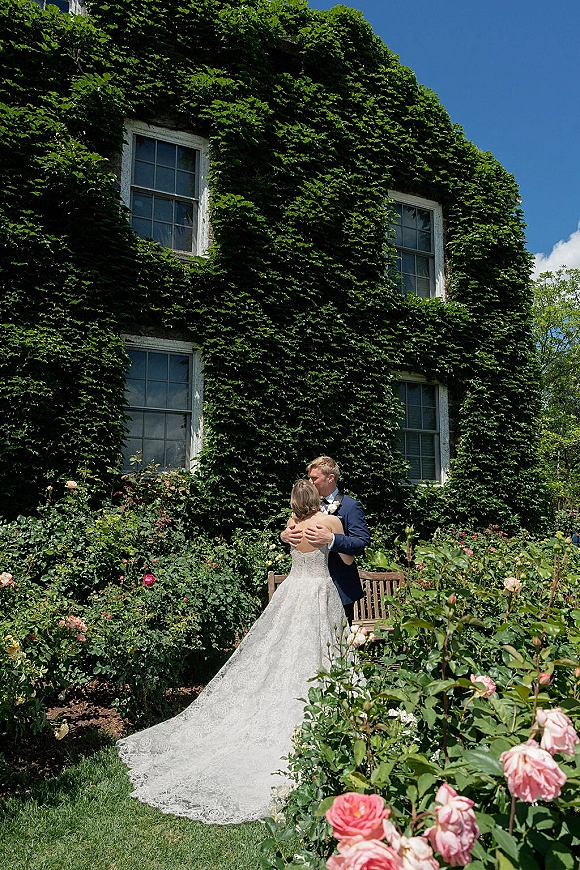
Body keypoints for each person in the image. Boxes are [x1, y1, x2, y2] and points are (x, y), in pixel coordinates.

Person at [117, 479, 347, 825]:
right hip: (318, 593)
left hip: (291, 592)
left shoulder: (291, 525)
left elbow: (291, 543)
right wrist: (334, 537)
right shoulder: (329, 522)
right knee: (320, 646)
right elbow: (345, 555)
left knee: (279, 649)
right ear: (317, 498)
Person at [281, 456, 370, 624]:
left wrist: (332, 539)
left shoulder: (351, 506)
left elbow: (361, 543)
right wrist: (283, 536)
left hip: (338, 587)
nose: (310, 482)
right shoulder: (303, 506)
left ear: (330, 478)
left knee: (337, 643)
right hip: (307, 589)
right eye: (309, 477)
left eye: (314, 478)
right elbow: (295, 533)